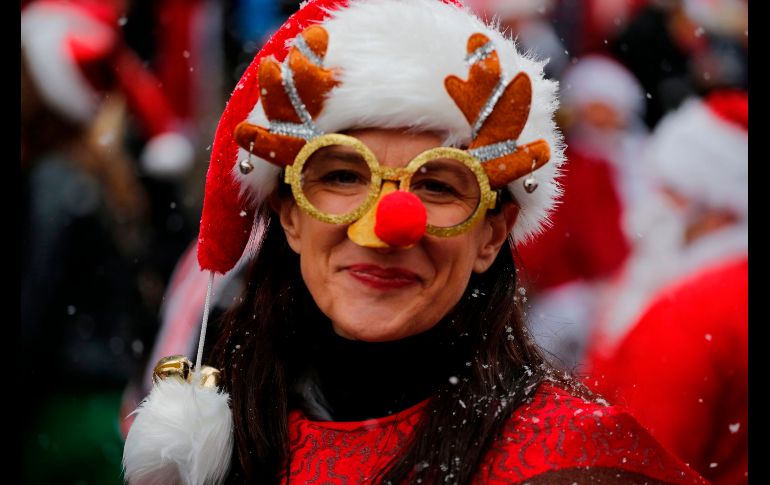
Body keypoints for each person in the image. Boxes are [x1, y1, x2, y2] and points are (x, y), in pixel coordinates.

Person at [122, 1, 707, 484]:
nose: (385, 226)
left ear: (492, 235)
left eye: (438, 184)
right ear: (290, 214)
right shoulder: (224, 439)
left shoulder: (577, 463)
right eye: (343, 176)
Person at [585, 90, 748, 484]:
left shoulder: (691, 310)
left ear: (718, 206)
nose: (653, 205)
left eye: (672, 190)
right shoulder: (681, 277)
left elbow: (641, 460)